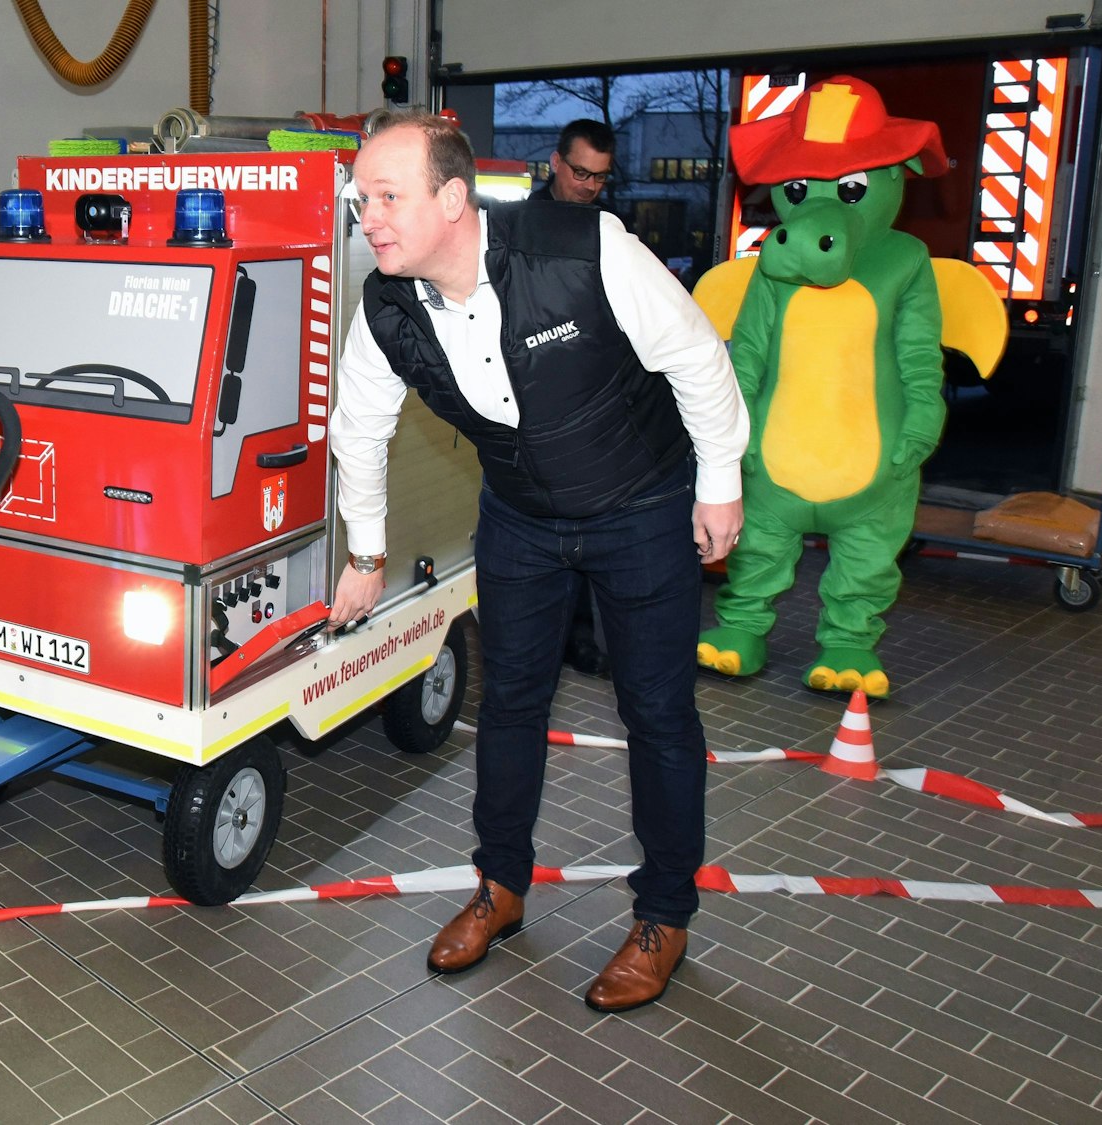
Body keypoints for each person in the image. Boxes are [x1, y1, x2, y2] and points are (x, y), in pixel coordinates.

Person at [328, 110, 746, 1013]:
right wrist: (364, 554)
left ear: (452, 197)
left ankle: (664, 915)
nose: (372, 218)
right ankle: (500, 887)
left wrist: (720, 485)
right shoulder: (388, 302)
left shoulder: (583, 247)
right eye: (363, 201)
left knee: (658, 714)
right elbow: (357, 426)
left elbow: (697, 356)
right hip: (520, 519)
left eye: (389, 197)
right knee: (510, 701)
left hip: (639, 506)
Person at [529, 118, 621, 677]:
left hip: (589, 398)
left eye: (601, 178)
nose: (589, 186)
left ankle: (578, 637)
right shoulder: (518, 224)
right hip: (531, 395)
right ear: (557, 163)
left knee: (583, 528)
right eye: (582, 172)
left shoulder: (608, 229)